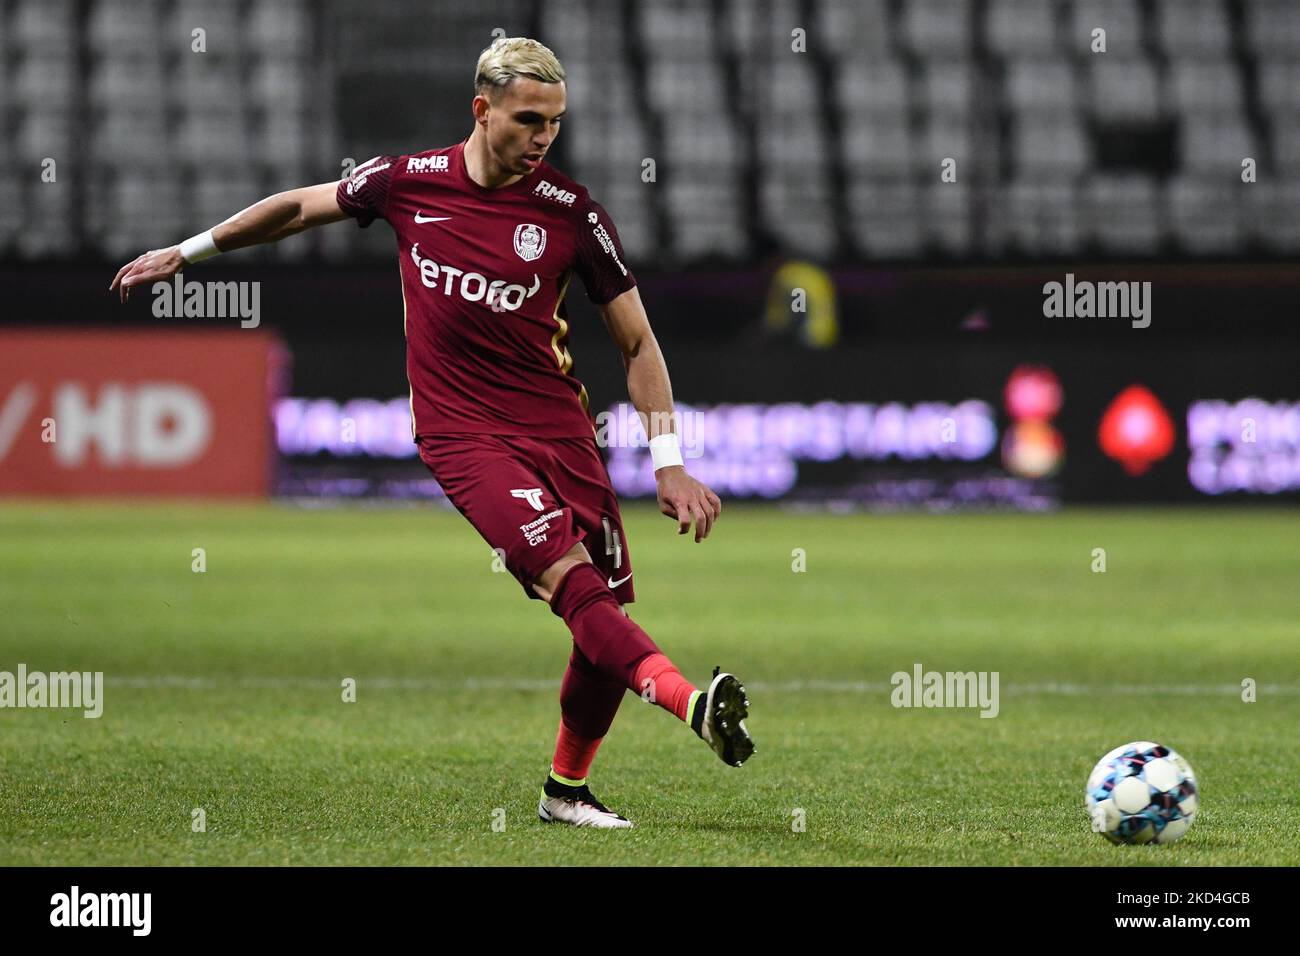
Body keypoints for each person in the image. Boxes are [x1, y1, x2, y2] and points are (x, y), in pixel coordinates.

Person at [110, 36, 753, 829]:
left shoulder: (572, 214)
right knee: (574, 586)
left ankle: (565, 793)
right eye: (527, 120)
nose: (544, 137)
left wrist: (669, 463)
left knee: (607, 624)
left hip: (562, 432)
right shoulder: (406, 183)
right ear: (481, 112)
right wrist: (190, 249)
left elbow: (637, 342)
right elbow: (296, 208)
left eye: (555, 122)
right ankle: (692, 704)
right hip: (463, 436)